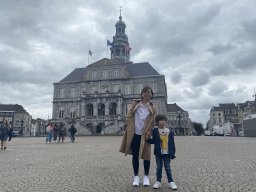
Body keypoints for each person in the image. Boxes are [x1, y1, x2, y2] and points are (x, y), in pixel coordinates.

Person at [119, 86, 157, 187]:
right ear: (142, 94)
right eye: (145, 92)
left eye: (149, 92)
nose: (147, 94)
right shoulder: (136, 103)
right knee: (135, 155)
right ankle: (136, 177)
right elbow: (129, 113)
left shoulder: (153, 107)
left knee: (146, 156)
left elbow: (152, 122)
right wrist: (128, 124)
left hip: (145, 135)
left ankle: (146, 177)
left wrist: (149, 133)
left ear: (151, 94)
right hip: (134, 133)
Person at [146, 114, 177, 190]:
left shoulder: (169, 132)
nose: (163, 122)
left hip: (167, 152)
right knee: (159, 168)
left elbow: (172, 144)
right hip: (158, 152)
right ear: (157, 122)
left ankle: (171, 182)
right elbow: (154, 141)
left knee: (167, 168)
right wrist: (147, 140)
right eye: (161, 120)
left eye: (164, 120)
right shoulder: (155, 131)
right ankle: (158, 181)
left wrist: (172, 153)